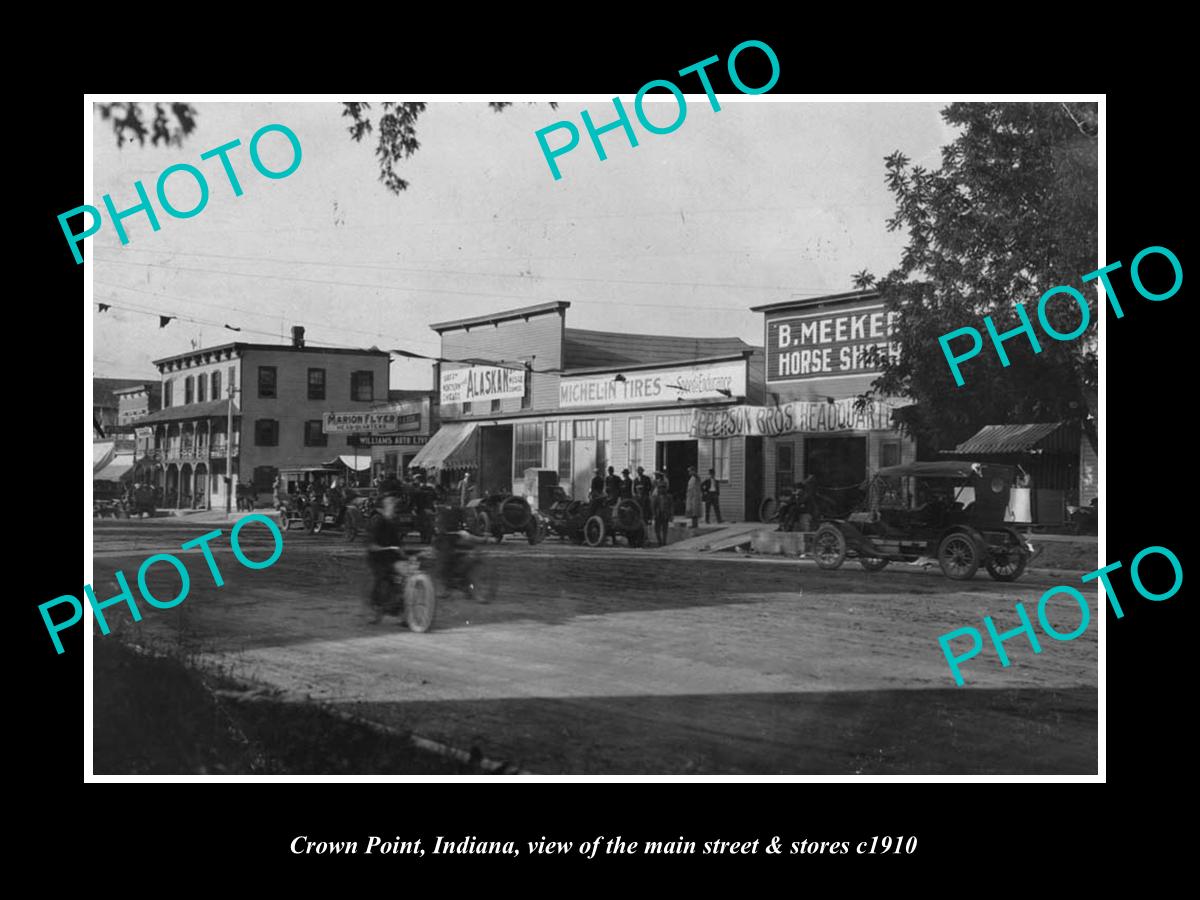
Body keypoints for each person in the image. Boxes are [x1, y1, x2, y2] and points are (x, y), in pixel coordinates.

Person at [366, 494, 407, 625]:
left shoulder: (393, 521)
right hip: (378, 558)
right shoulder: (377, 520)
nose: (394, 506)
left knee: (405, 578)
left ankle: (401, 612)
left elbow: (398, 543)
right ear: (383, 507)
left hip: (392, 557)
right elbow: (371, 544)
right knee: (383, 578)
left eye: (394, 504)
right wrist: (388, 548)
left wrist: (402, 551)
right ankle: (377, 609)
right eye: (391, 504)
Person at [652, 473, 673, 546]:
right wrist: (654, 514)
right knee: (657, 529)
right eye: (660, 487)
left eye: (663, 487)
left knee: (665, 529)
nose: (661, 489)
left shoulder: (669, 497)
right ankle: (659, 541)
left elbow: (671, 507)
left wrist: (671, 515)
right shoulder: (656, 497)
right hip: (658, 514)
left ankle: (664, 541)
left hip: (665, 514)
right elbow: (654, 507)